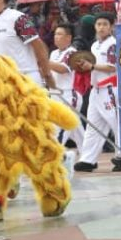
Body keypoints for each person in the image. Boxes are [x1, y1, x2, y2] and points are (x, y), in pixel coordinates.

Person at [74, 13, 121, 172]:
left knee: (117, 123)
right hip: (96, 89)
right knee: (93, 125)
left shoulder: (113, 44)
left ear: (112, 26)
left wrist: (91, 66)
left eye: (105, 24)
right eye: (99, 24)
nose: (101, 27)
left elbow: (113, 67)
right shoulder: (94, 45)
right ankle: (88, 159)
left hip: (110, 89)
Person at [0, 0, 53, 88]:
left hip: (25, 80)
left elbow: (38, 46)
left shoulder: (19, 18)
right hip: (5, 81)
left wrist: (47, 74)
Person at [47, 23, 84, 152]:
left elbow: (63, 69)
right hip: (55, 94)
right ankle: (88, 157)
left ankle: (55, 154)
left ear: (68, 38)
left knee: (62, 126)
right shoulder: (53, 53)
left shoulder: (72, 53)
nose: (56, 37)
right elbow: (49, 72)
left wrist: (43, 61)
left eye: (60, 34)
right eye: (55, 34)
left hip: (69, 95)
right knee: (76, 129)